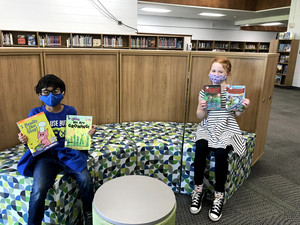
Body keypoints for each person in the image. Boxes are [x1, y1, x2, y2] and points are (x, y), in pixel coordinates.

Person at [17, 74, 96, 225]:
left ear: (63, 93)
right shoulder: (35, 114)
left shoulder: (70, 111)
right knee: (39, 189)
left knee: (86, 179)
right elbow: (33, 141)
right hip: (45, 156)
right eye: (46, 92)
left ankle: (89, 214)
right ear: (39, 95)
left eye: (56, 91)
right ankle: (33, 223)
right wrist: (24, 140)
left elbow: (76, 138)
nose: (51, 95)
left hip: (67, 153)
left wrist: (87, 135)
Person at [190, 57, 250, 221]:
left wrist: (243, 106)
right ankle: (198, 190)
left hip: (226, 127)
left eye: (220, 71)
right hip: (208, 126)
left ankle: (219, 195)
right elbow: (199, 116)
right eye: (213, 71)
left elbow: (237, 114)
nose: (216, 74)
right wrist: (202, 107)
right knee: (200, 149)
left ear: (227, 74)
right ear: (209, 72)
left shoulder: (233, 91)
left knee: (221, 153)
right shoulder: (205, 91)